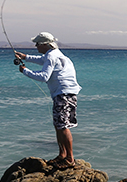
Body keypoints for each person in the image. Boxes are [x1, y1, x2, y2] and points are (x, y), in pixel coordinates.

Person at [14, 32, 81, 169]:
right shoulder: (56, 54)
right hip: (66, 93)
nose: (36, 46)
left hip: (63, 94)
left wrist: (25, 71)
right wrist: (25, 57)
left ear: (45, 44)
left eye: (37, 44)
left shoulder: (51, 56)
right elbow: (41, 60)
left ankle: (70, 159)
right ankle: (62, 155)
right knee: (58, 125)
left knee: (62, 126)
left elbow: (44, 76)